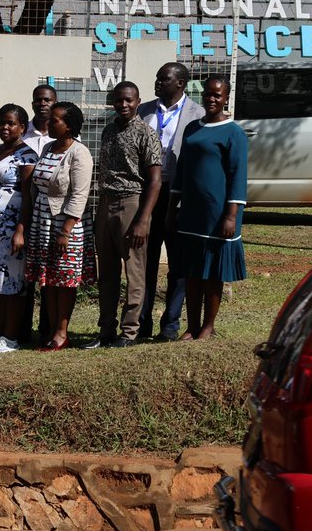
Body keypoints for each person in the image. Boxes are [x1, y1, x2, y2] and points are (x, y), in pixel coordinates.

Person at [168, 76, 248, 340]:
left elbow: (238, 175)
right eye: (208, 94)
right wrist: (172, 207)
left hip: (219, 215)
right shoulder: (192, 128)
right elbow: (181, 171)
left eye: (217, 95)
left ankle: (208, 327)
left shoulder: (233, 132)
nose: (211, 99)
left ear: (226, 98)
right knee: (192, 272)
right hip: (192, 213)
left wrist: (231, 215)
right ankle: (191, 327)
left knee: (213, 273)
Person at [86, 82, 161, 350]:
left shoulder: (146, 134)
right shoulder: (108, 130)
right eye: (118, 100)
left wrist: (142, 220)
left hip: (132, 205)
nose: (123, 105)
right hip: (105, 205)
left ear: (138, 101)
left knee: (134, 271)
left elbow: (154, 181)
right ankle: (105, 330)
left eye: (128, 100)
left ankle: (129, 332)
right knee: (106, 273)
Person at [137, 62, 204, 341]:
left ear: (180, 83)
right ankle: (141, 324)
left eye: (163, 79)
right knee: (145, 261)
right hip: (147, 193)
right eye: (157, 78)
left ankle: (170, 325)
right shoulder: (144, 112)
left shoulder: (197, 114)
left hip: (178, 195)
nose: (157, 83)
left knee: (178, 264)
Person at [24, 101, 95, 351]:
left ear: (69, 126)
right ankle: (53, 330)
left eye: (55, 120)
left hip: (67, 225)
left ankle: (62, 333)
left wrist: (65, 231)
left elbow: (79, 194)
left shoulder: (79, 153)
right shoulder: (49, 148)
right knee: (50, 279)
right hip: (43, 222)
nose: (49, 123)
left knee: (64, 281)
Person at [0, 104, 38, 355]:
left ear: (22, 128)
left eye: (11, 123)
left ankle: (11, 337)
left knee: (13, 282)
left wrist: (21, 231)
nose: (5, 127)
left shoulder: (27, 155)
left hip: (12, 228)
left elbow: (28, 196)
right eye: (1, 122)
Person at [21, 84, 58, 345]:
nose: (42, 104)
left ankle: (47, 330)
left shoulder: (65, 138)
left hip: (51, 217)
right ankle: (21, 330)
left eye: (47, 100)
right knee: (25, 275)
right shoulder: (22, 133)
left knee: (49, 275)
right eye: (38, 100)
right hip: (25, 214)